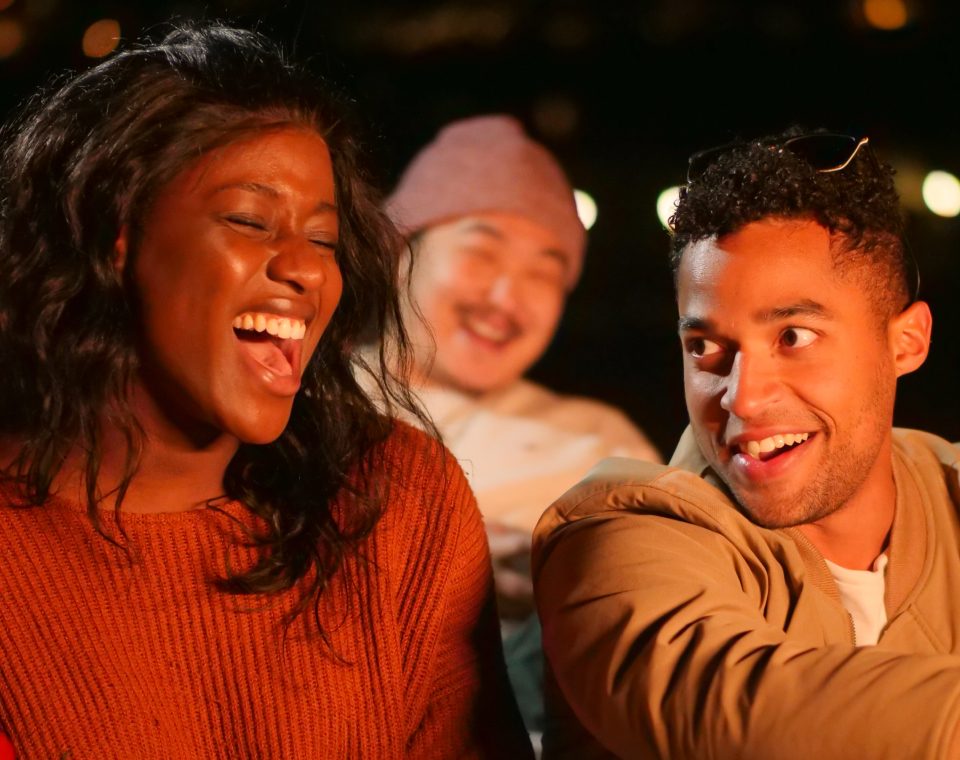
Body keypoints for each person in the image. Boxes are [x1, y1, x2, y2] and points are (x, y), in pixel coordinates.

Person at [0, 23, 532, 759]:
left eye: (323, 239)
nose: (307, 270)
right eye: (250, 221)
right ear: (114, 235)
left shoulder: (397, 501)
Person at [532, 129, 960, 759]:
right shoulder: (619, 537)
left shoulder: (950, 490)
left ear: (907, 342)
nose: (743, 398)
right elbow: (733, 709)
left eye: (794, 336)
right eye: (705, 347)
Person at [381, 114, 661, 732]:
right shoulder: (301, 407)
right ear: (401, 251)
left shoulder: (597, 445)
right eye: (482, 253)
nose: (507, 298)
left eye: (544, 272)